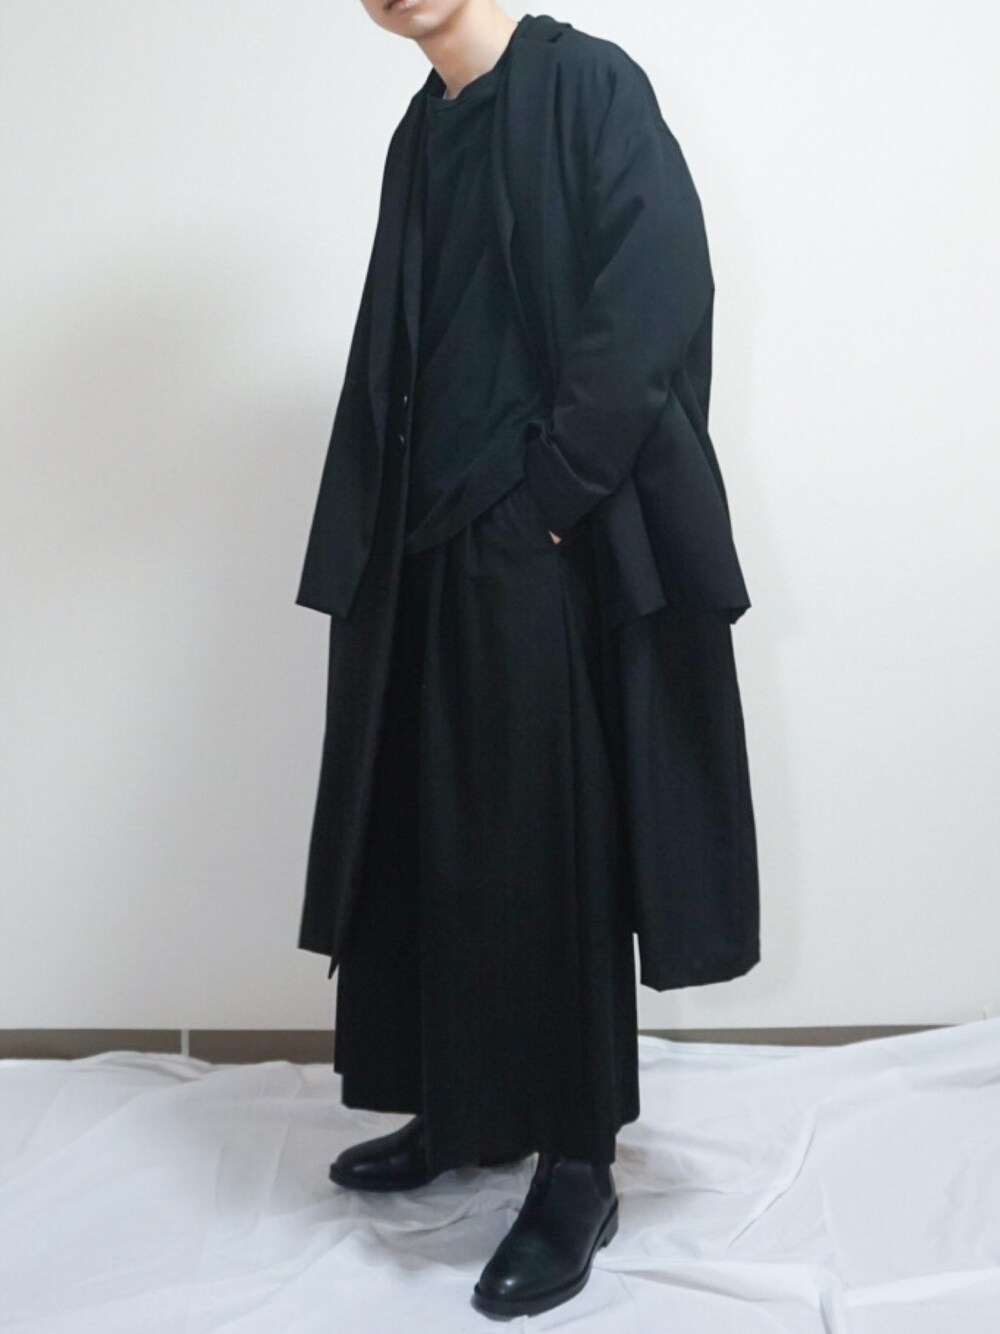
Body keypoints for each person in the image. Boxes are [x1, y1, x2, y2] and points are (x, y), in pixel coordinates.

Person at [294, 1, 759, 1318]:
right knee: (428, 837)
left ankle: (576, 1162)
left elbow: (657, 289)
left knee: (546, 843)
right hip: (422, 538)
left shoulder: (588, 85)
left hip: (535, 539)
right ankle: (463, 1110)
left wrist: (551, 496)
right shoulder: (423, 129)